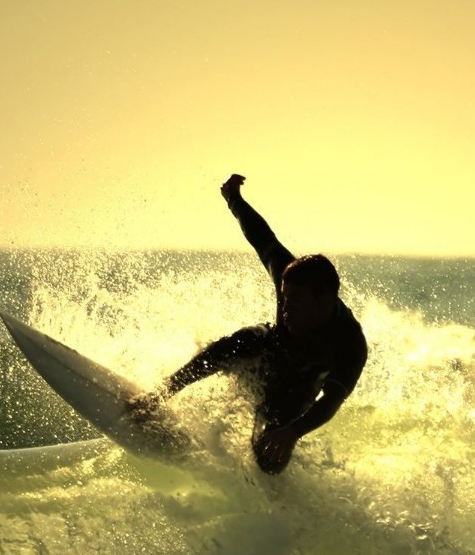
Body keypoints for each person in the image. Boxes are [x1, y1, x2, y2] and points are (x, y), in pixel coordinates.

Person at [131, 174, 368, 473]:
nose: (286, 310)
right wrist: (233, 198)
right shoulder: (289, 274)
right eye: (284, 299)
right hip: (267, 350)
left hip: (297, 388)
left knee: (268, 457)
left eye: (295, 304)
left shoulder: (350, 342)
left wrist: (292, 433)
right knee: (244, 340)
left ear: (323, 301)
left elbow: (331, 401)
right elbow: (261, 236)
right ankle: (159, 395)